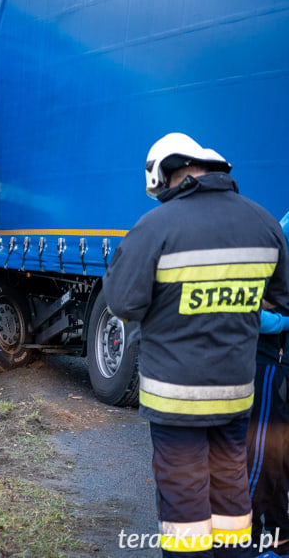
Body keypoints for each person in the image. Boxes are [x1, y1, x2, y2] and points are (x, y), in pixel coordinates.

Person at [103, 132, 289, 558]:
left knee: (185, 507)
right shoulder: (262, 222)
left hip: (177, 401)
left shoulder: (156, 227)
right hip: (235, 396)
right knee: (230, 500)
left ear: (169, 175)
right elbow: (281, 296)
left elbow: (122, 302)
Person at [248, 307, 289, 554]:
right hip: (270, 362)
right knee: (261, 461)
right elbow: (249, 313)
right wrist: (284, 322)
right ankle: (242, 540)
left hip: (279, 362)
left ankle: (281, 540)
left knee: (280, 462)